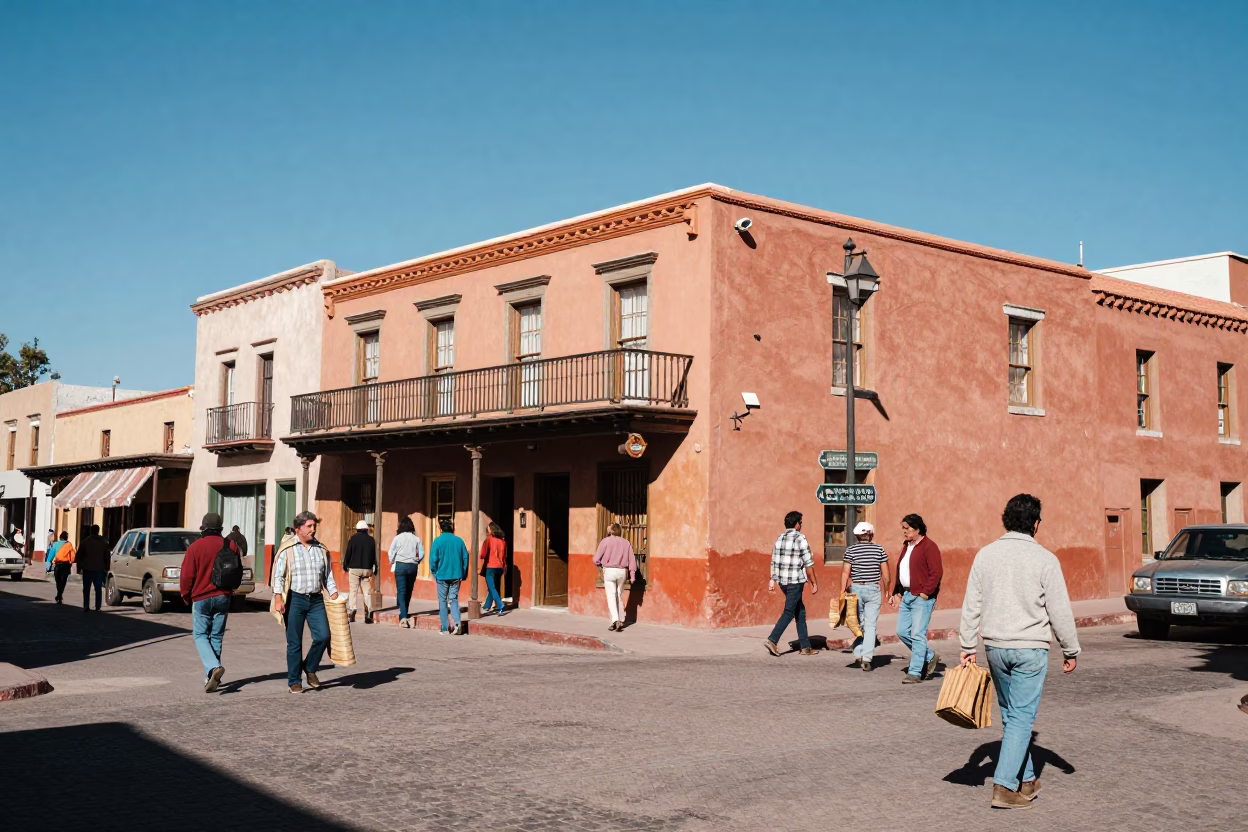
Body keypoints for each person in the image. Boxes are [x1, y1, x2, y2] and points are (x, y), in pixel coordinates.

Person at [958, 494, 1079, 810]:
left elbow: (971, 604)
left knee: (1013, 717)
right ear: (1036, 523)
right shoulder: (1045, 559)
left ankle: (1026, 779)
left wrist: (967, 645)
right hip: (1030, 649)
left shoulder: (985, 555)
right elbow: (1059, 610)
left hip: (995, 647)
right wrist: (1070, 649)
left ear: (1006, 519)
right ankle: (1004, 786)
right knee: (1022, 718)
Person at [271, 512, 340, 693]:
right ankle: (294, 681)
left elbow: (328, 575)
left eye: (314, 526)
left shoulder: (321, 549)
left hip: (316, 600)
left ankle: (309, 667)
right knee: (294, 643)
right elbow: (279, 576)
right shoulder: (287, 549)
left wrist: (334, 593)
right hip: (295, 599)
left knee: (323, 636)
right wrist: (278, 597)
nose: (313, 529)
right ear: (298, 529)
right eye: (309, 526)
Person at [180, 513, 240, 693]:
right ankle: (211, 676)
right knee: (216, 636)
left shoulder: (195, 547)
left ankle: (213, 667)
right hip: (223, 596)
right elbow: (238, 570)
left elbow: (186, 576)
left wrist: (185, 595)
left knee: (200, 636)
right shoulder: (231, 545)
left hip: (201, 597)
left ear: (203, 528)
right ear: (220, 528)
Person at [888, 513, 943, 683]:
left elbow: (936, 572)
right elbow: (902, 569)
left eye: (907, 528)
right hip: (907, 594)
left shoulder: (929, 546)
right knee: (902, 631)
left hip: (921, 597)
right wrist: (896, 591)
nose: (904, 531)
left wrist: (926, 592)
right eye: (903, 528)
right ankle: (930, 656)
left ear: (918, 528)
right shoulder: (907, 545)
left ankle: (915, 672)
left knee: (918, 634)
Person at [764, 511, 819, 656]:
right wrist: (814, 583)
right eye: (800, 522)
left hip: (783, 582)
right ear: (796, 524)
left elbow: (774, 561)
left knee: (800, 611)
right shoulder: (800, 538)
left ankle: (805, 646)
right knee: (789, 611)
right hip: (795, 581)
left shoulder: (779, 538)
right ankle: (772, 639)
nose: (801, 525)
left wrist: (773, 579)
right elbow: (808, 563)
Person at [840, 521, 891, 671]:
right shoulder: (879, 549)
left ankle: (858, 655)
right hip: (873, 588)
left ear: (857, 536)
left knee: (857, 623)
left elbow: (845, 572)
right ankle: (867, 658)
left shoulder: (850, 550)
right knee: (870, 625)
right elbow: (886, 574)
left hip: (856, 589)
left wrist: (842, 590)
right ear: (871, 534)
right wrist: (887, 590)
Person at [593, 523, 637, 631]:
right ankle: (620, 620)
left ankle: (615, 620)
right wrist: (632, 575)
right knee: (618, 596)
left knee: (611, 596)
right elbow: (632, 560)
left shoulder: (605, 541)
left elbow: (596, 559)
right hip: (622, 572)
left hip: (609, 571)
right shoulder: (626, 543)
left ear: (611, 531)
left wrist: (600, 565)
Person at [428, 518, 469, 635]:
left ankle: (445, 628)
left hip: (442, 575)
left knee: (442, 601)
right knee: (453, 599)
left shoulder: (437, 541)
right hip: (456, 575)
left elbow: (433, 560)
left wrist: (434, 572)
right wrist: (463, 573)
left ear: (441, 529)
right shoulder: (459, 541)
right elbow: (465, 557)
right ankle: (457, 624)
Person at [388, 516, 424, 628]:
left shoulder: (397, 538)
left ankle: (403, 617)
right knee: (408, 590)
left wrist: (392, 561)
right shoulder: (416, 539)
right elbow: (421, 554)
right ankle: (405, 612)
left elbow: (391, 552)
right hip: (412, 566)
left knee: (401, 591)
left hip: (400, 565)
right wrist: (417, 561)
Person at [342, 519, 378, 624]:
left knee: (353, 590)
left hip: (354, 569)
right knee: (367, 592)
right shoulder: (371, 540)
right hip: (367, 569)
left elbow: (348, 553)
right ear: (366, 530)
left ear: (357, 529)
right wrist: (375, 567)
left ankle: (352, 609)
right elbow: (373, 555)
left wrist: (345, 565)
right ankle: (369, 611)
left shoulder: (353, 539)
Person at [76, 524, 111, 611]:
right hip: (99, 568)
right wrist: (107, 567)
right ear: (98, 531)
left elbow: (79, 556)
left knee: (86, 589)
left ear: (91, 531)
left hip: (87, 568)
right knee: (98, 589)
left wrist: (79, 568)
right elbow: (107, 556)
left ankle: (86, 605)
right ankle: (98, 606)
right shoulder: (103, 542)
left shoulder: (85, 542)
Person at [480, 522, 508, 617]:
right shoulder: (503, 542)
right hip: (500, 567)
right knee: (493, 587)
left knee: (492, 587)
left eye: (488, 529)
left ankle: (500, 604)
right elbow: (504, 556)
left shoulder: (488, 540)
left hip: (491, 566)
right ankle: (487, 606)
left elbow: (482, 554)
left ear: (491, 530)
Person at [49, 532, 75, 604]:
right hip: (66, 565)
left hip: (58, 565)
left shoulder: (55, 544)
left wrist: (49, 562)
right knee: (63, 582)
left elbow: (51, 554)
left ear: (60, 537)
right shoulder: (69, 545)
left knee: (58, 581)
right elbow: (73, 556)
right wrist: (71, 562)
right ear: (66, 538)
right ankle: (59, 596)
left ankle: (59, 595)